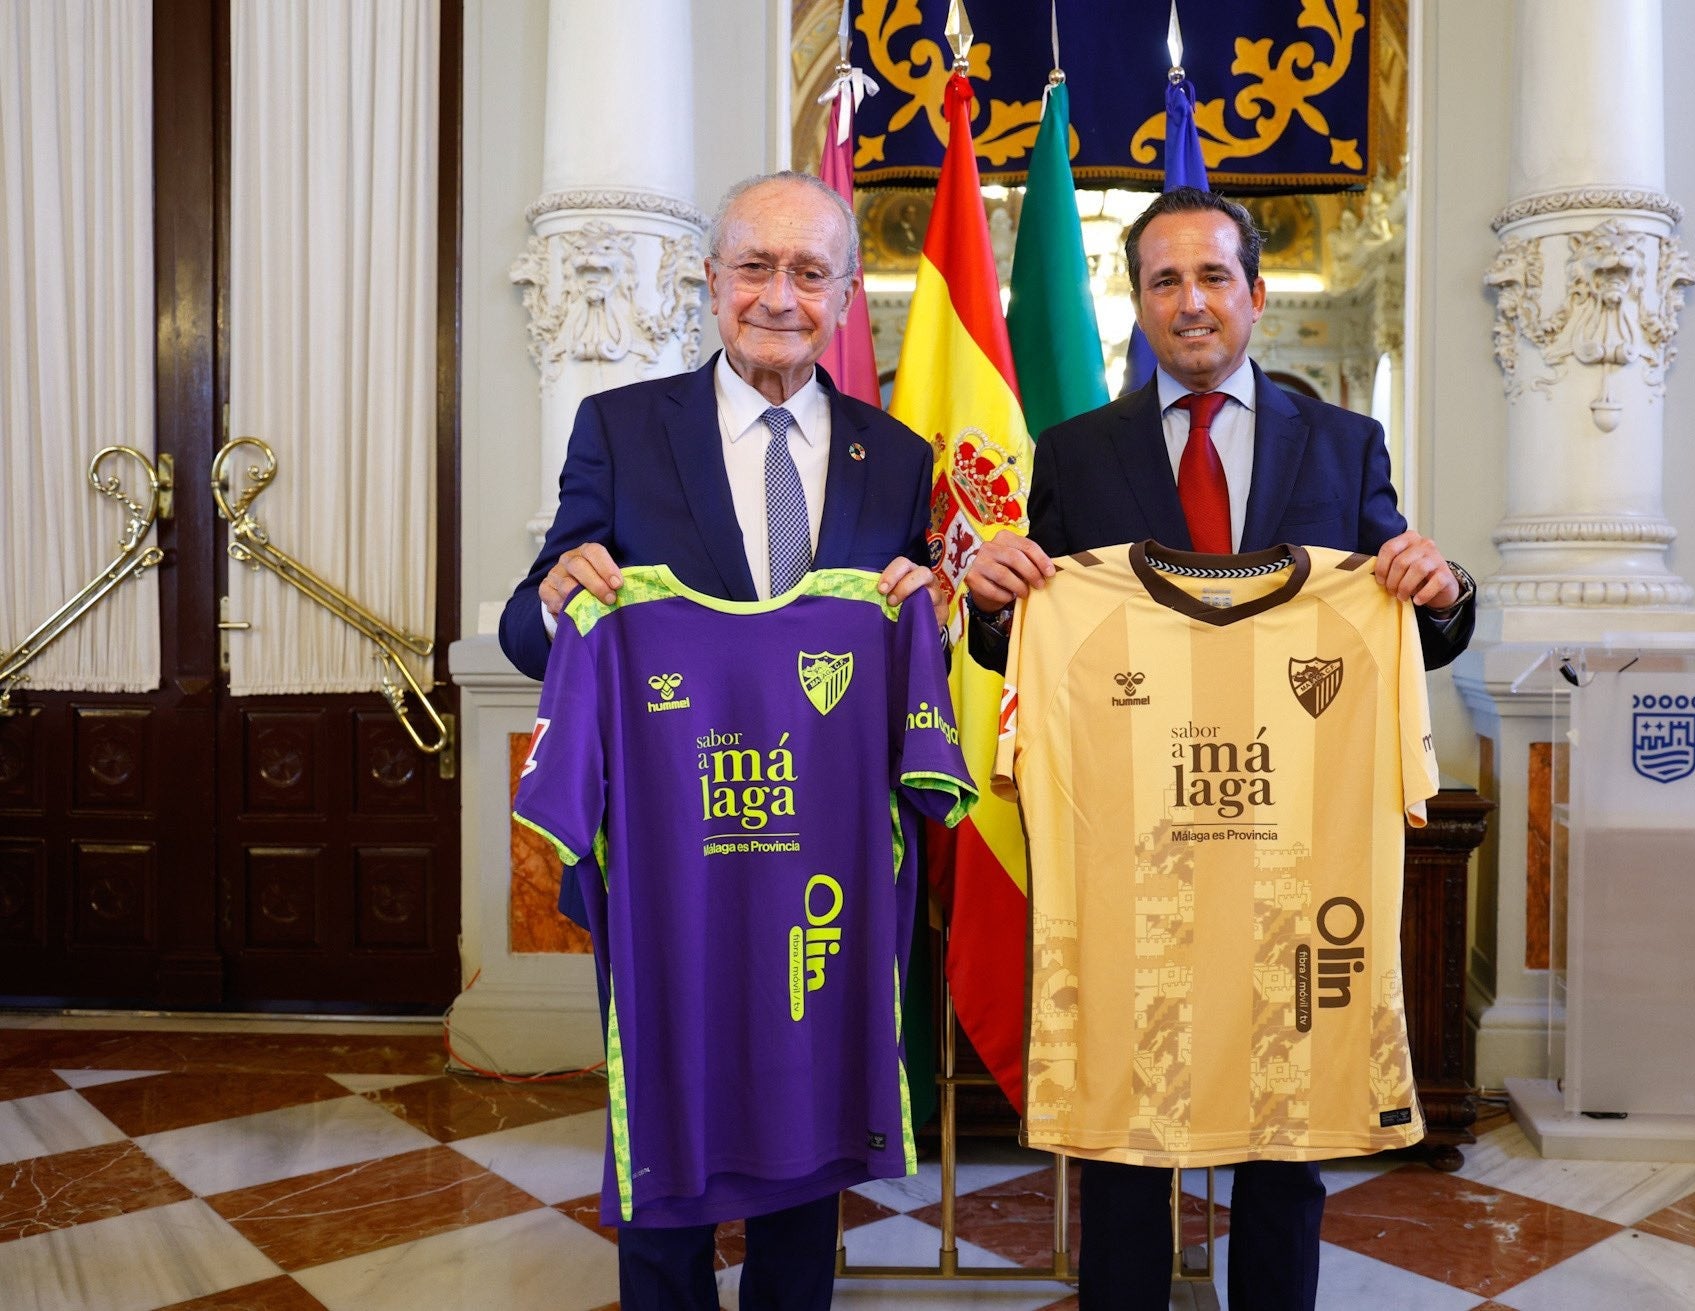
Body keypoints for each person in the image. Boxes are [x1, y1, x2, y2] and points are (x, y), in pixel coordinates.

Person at [962, 187, 1475, 1311]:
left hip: (1286, 856)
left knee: (1284, 1147)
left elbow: (1399, 622)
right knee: (1120, 1145)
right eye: (1162, 281)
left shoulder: (1343, 443)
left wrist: (1440, 590)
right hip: (1130, 858)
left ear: (1251, 290)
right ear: (1135, 301)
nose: (1189, 303)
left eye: (1210, 278)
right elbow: (1040, 643)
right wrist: (994, 604)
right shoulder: (1075, 450)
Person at [501, 170, 936, 1311]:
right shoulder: (621, 429)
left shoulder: (893, 460)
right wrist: (558, 595)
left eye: (807, 272)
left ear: (846, 295)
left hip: (819, 868)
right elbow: (525, 629)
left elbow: (916, 657)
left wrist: (923, 595)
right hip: (675, 865)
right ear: (708, 282)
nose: (777, 296)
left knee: (808, 1117)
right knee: (664, 1110)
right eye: (753, 267)